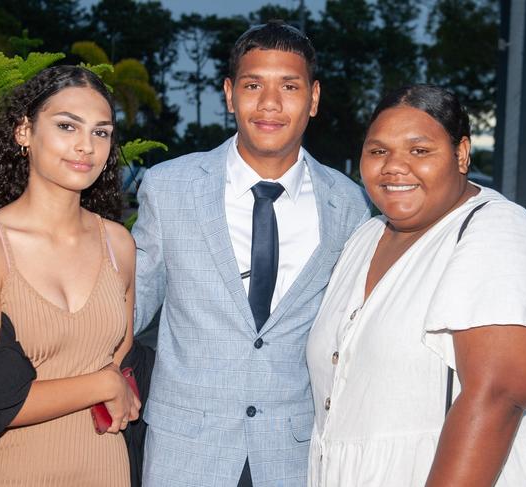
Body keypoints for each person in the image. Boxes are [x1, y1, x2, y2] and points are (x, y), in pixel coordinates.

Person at [306, 84, 526, 486]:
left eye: (419, 151)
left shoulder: (496, 230)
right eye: (378, 151)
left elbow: (499, 397)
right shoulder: (366, 237)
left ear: (461, 154)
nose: (394, 166)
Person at [132, 21, 370, 487]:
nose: (270, 104)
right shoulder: (168, 186)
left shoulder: (350, 205)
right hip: (185, 452)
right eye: (253, 84)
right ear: (228, 93)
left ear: (314, 98)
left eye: (290, 86)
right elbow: (130, 306)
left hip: (294, 457)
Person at [0, 65, 140, 486]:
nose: (85, 146)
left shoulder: (117, 245)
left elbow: (119, 360)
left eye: (101, 132)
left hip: (106, 468)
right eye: (67, 126)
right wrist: (102, 385)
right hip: (11, 470)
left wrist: (114, 385)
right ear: (24, 133)